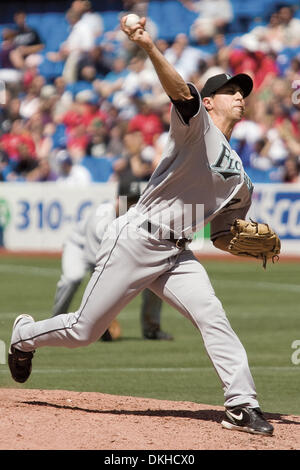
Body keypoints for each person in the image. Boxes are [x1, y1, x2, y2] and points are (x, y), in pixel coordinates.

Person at [8, 16, 274, 436]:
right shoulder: (197, 129)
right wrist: (149, 46)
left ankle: (241, 404)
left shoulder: (243, 178)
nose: (240, 96)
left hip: (176, 253)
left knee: (213, 316)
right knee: (83, 332)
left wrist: (244, 241)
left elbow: (223, 233)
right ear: (210, 102)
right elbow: (181, 92)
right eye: (229, 91)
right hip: (135, 238)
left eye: (242, 91)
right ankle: (24, 334)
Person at [52, 180, 172, 341]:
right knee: (73, 277)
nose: (132, 205)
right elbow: (100, 270)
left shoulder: (140, 216)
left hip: (117, 253)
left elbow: (159, 237)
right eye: (128, 201)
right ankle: (56, 325)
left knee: (155, 275)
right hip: (80, 248)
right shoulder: (101, 221)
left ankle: (152, 329)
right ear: (118, 200)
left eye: (136, 201)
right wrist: (105, 318)